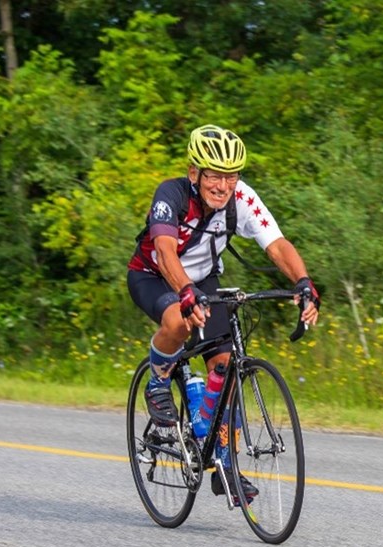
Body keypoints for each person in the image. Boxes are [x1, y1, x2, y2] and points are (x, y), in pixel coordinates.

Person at [127, 124, 320, 500]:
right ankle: (157, 383)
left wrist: (304, 282)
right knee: (177, 322)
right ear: (194, 173)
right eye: (214, 175)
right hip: (154, 277)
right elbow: (165, 251)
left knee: (227, 364)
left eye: (231, 176)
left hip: (203, 282)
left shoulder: (242, 199)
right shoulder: (171, 195)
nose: (223, 185)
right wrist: (184, 292)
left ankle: (221, 458)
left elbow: (277, 245)